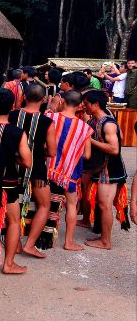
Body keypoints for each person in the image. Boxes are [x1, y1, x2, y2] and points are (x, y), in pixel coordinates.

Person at [10, 84, 57, 256]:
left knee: (11, 204)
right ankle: (29, 245)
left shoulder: (12, 115)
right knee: (44, 205)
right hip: (36, 168)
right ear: (44, 100)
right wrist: (35, 151)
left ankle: (13, 243)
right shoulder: (46, 122)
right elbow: (52, 151)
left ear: (24, 97)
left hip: (12, 166)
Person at [0, 89, 31, 274]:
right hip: (8, 182)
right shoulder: (17, 132)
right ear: (13, 107)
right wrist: (12, 158)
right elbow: (27, 161)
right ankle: (8, 264)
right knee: (13, 221)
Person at [44, 91, 92, 250]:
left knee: (42, 204)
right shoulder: (85, 128)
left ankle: (37, 235)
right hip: (70, 172)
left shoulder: (50, 118)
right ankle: (69, 242)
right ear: (79, 106)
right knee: (71, 204)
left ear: (62, 101)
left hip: (48, 168)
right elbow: (87, 154)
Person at [82, 90, 129, 250]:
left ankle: (106, 241)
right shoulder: (94, 121)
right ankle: (103, 236)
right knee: (101, 203)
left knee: (104, 205)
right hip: (101, 168)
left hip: (110, 171)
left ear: (96, 104)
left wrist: (90, 141)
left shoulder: (107, 123)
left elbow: (114, 149)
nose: (84, 106)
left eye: (87, 103)